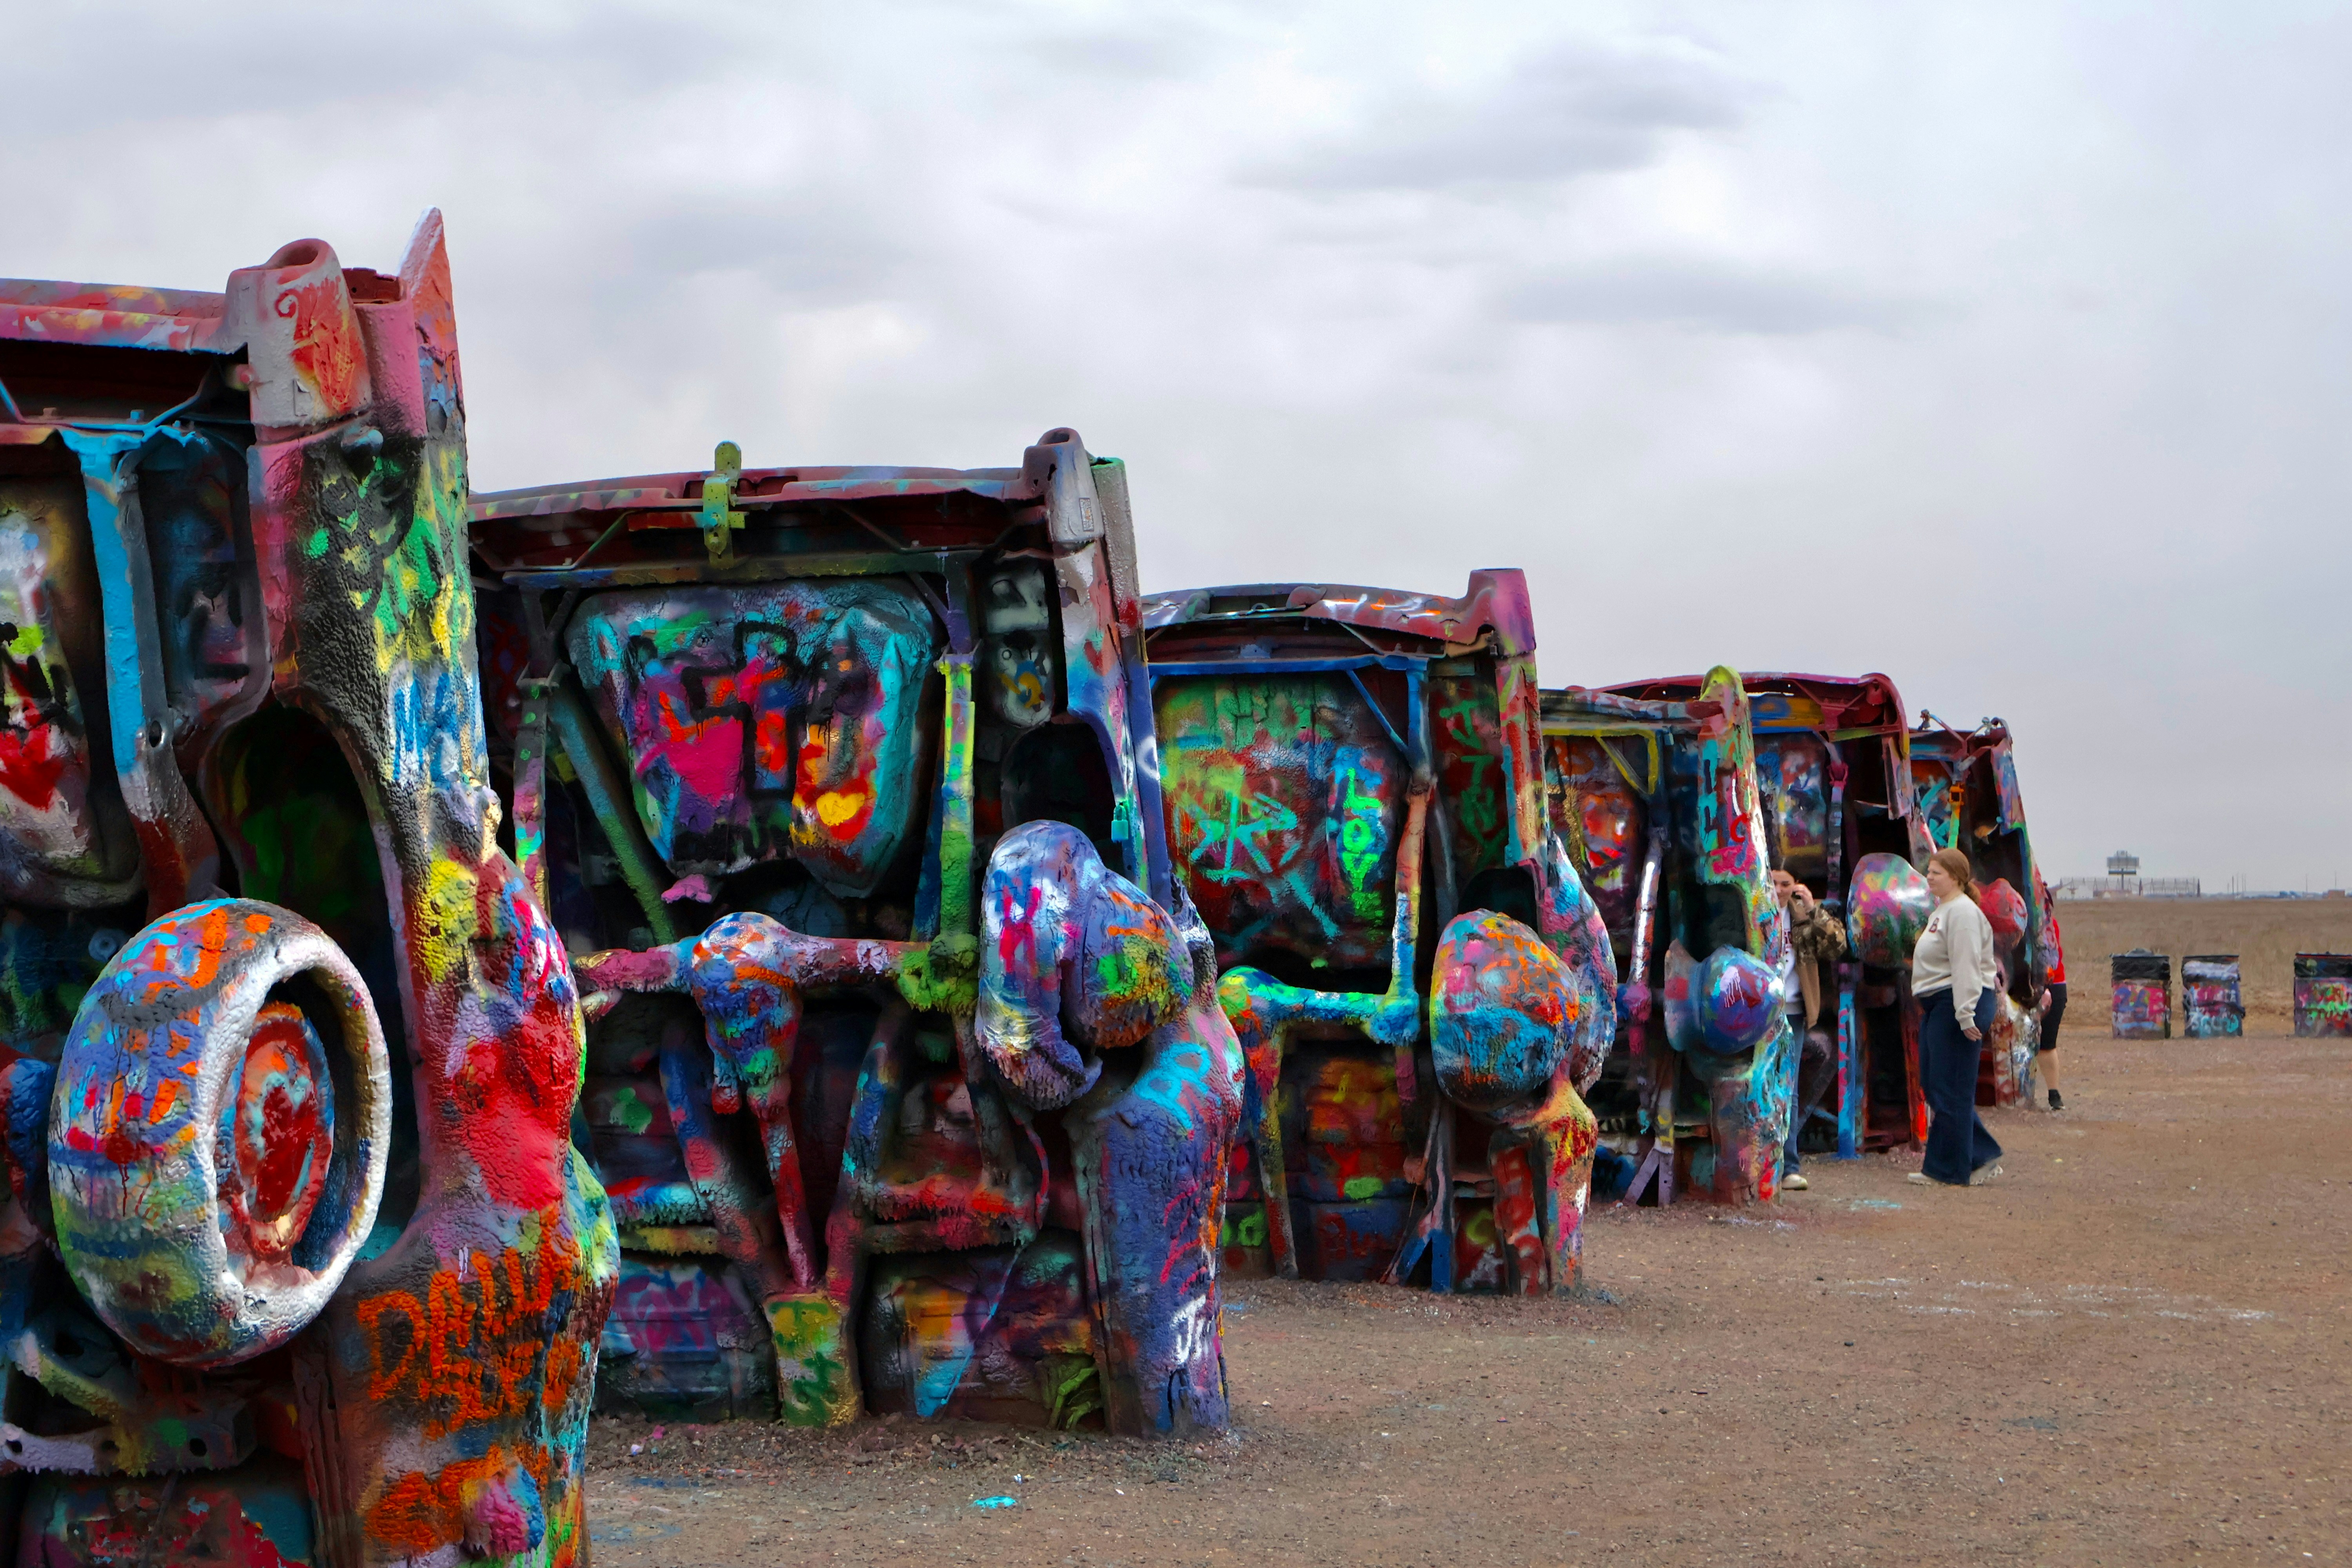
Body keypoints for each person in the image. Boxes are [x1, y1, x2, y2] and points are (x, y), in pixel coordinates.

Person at [1907, 847, 2004, 1187]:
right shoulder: (1943, 911)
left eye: (1937, 872)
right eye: (1929, 872)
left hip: (1959, 1002)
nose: (1929, 877)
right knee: (1935, 1084)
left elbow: (1965, 966)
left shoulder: (1962, 912)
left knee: (1951, 1089)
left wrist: (1966, 1015)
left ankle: (1947, 1171)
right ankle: (1981, 1154)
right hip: (1939, 1004)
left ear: (1957, 878)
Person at [1771, 869, 1846, 1190]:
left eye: (1786, 884)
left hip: (1795, 1010)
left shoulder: (1801, 917)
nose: (1779, 890)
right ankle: (1766, 1164)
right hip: (1759, 1010)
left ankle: (1789, 1167)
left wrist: (1813, 908)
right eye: (1773, 882)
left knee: (1789, 1087)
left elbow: (1837, 945)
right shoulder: (1752, 912)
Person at [2034, 873, 2068, 1111]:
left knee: (2047, 1043)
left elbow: (2053, 961)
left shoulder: (2047, 926)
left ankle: (2053, 1093)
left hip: (2052, 986)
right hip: (2031, 984)